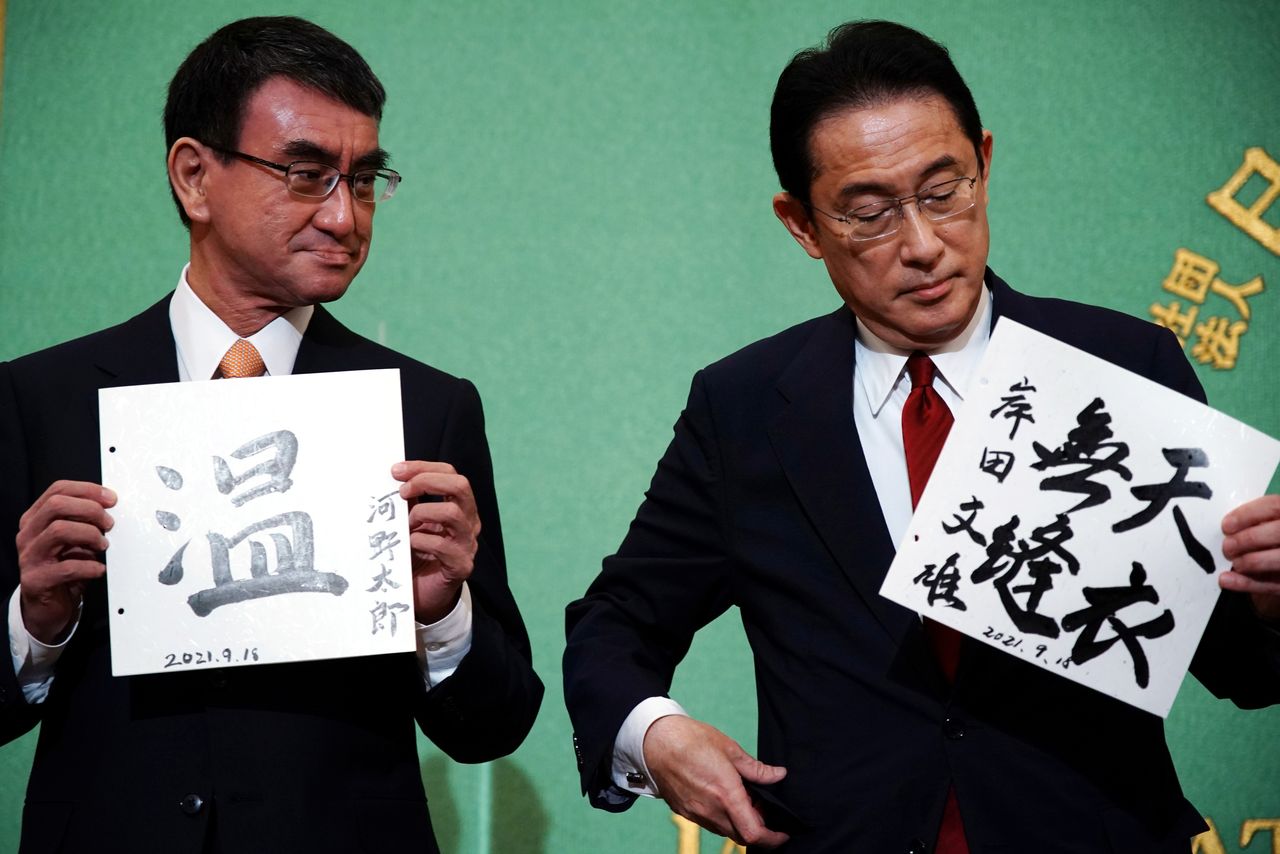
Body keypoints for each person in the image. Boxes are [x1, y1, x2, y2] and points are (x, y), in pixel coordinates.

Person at [562, 20, 1280, 854]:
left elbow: (1241, 665)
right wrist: (655, 734)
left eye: (945, 191)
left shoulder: (1123, 365)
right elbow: (616, 621)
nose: (924, 244)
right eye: (869, 213)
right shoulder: (745, 406)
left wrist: (1270, 604)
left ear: (984, 160)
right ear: (801, 224)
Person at [0, 16, 542, 854]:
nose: (345, 217)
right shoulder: (44, 398)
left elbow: (496, 725)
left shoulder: (426, 409)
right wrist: (35, 622)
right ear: (194, 177)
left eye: (363, 181)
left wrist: (439, 617)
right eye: (305, 174)